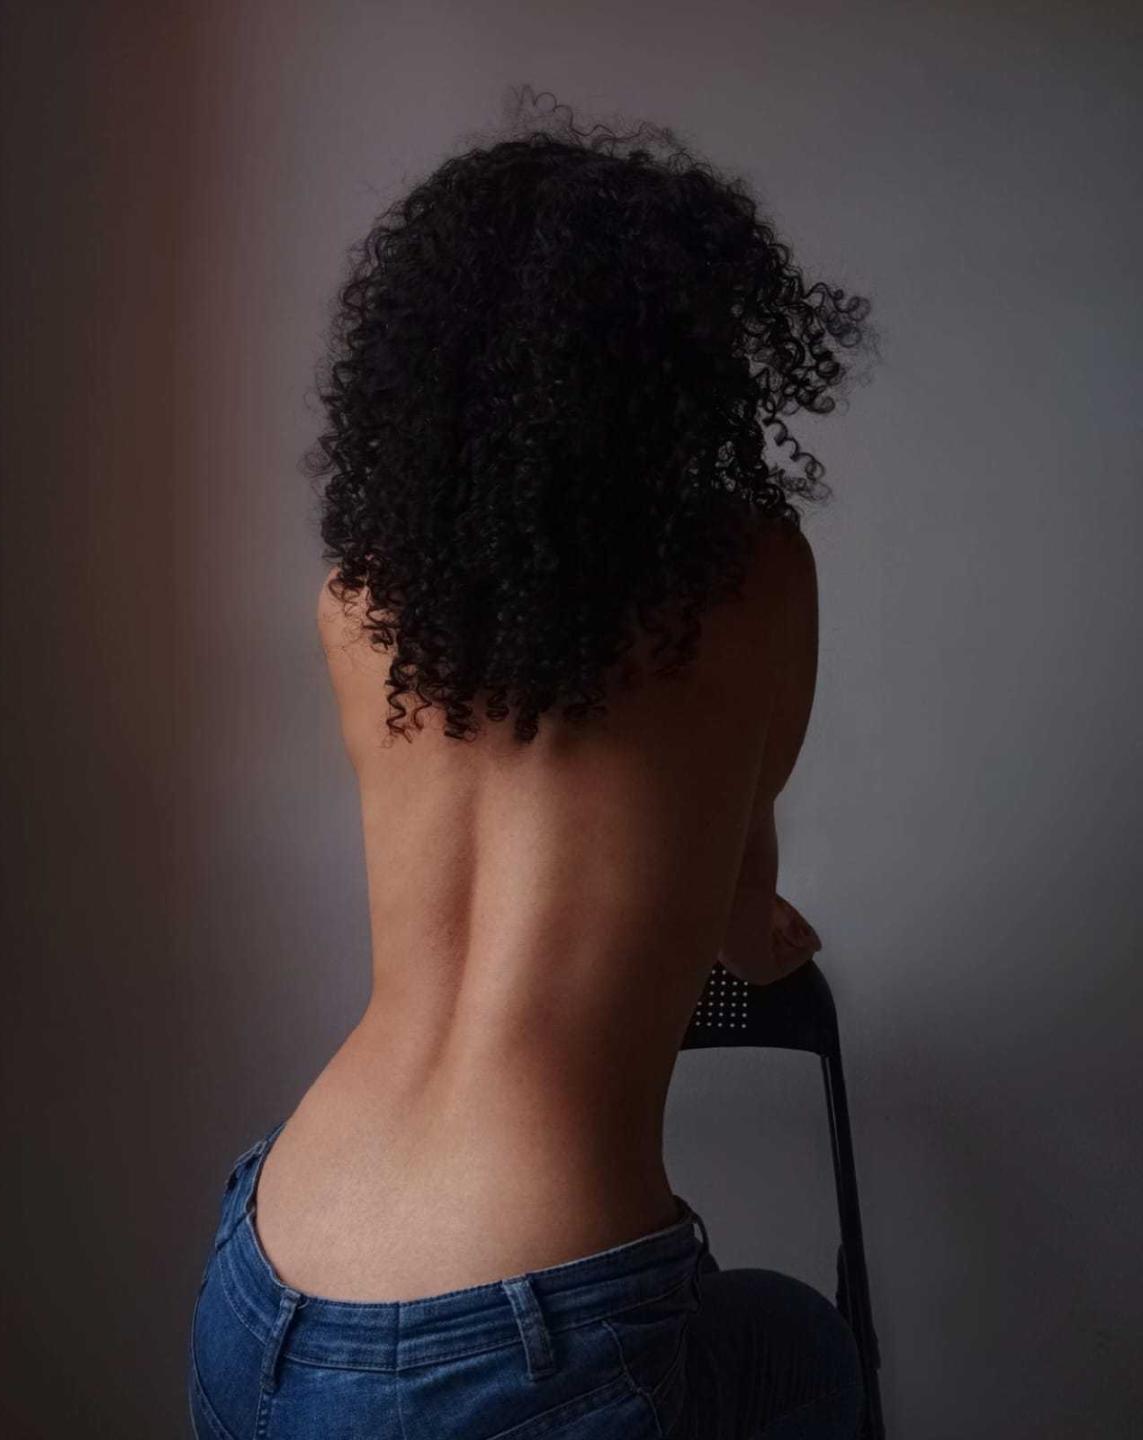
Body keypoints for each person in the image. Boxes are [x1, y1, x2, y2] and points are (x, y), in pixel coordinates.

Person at [187, 85, 877, 1440]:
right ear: (685, 369)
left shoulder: (363, 604)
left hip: (263, 1293)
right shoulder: (753, 582)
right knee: (804, 1352)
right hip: (521, 1342)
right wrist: (753, 927)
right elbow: (740, 917)